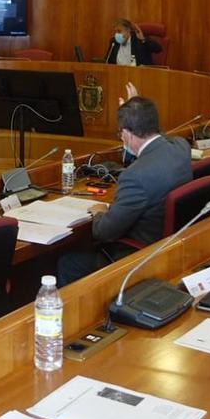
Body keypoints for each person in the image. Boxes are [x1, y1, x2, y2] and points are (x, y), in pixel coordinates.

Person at [57, 86, 191, 286]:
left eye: (120, 133)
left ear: (127, 134)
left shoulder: (135, 176)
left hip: (138, 256)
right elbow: (162, 136)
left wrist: (100, 212)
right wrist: (138, 112)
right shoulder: (181, 148)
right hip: (171, 246)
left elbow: (104, 232)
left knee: (67, 262)